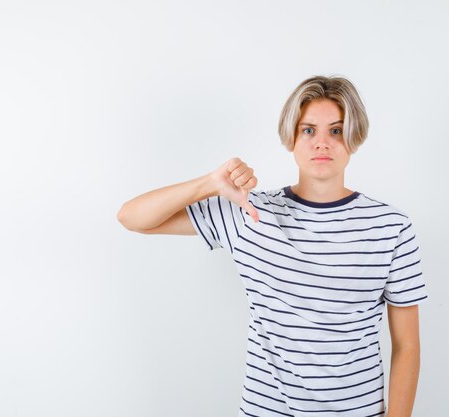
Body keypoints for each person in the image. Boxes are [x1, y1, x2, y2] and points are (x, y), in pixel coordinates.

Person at [117, 75, 429, 417]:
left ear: (353, 138)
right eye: (308, 130)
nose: (321, 143)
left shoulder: (390, 227)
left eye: (336, 130)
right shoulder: (249, 212)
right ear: (291, 137)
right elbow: (133, 217)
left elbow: (407, 345)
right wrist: (209, 184)